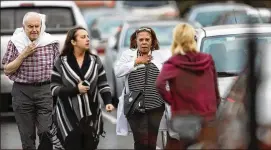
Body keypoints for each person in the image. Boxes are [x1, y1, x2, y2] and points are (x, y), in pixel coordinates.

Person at [156, 23, 220, 149]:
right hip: (207, 115)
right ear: (193, 39)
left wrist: (173, 101)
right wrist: (215, 106)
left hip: (184, 116)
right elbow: (215, 87)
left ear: (176, 40)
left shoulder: (173, 63)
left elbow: (159, 84)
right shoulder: (207, 60)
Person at [49, 26, 114, 150]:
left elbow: (103, 84)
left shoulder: (95, 61)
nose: (87, 39)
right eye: (83, 37)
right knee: (72, 144)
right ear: (73, 42)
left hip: (92, 113)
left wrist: (108, 102)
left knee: (90, 145)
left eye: (88, 36)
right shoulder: (61, 62)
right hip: (68, 114)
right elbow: (54, 89)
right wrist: (75, 90)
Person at [1, 12, 59, 149]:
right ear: (24, 27)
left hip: (45, 91)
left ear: (41, 26)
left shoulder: (50, 42)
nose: (34, 29)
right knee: (27, 137)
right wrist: (24, 54)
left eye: (37, 26)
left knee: (46, 132)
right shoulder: (15, 42)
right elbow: (7, 69)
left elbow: (59, 69)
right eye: (30, 26)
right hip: (22, 92)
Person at [115, 27, 169, 150]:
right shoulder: (128, 55)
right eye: (141, 39)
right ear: (136, 41)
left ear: (152, 42)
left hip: (156, 106)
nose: (144, 42)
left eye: (147, 39)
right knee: (141, 141)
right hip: (135, 106)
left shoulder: (160, 56)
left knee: (151, 142)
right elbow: (117, 72)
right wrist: (137, 61)